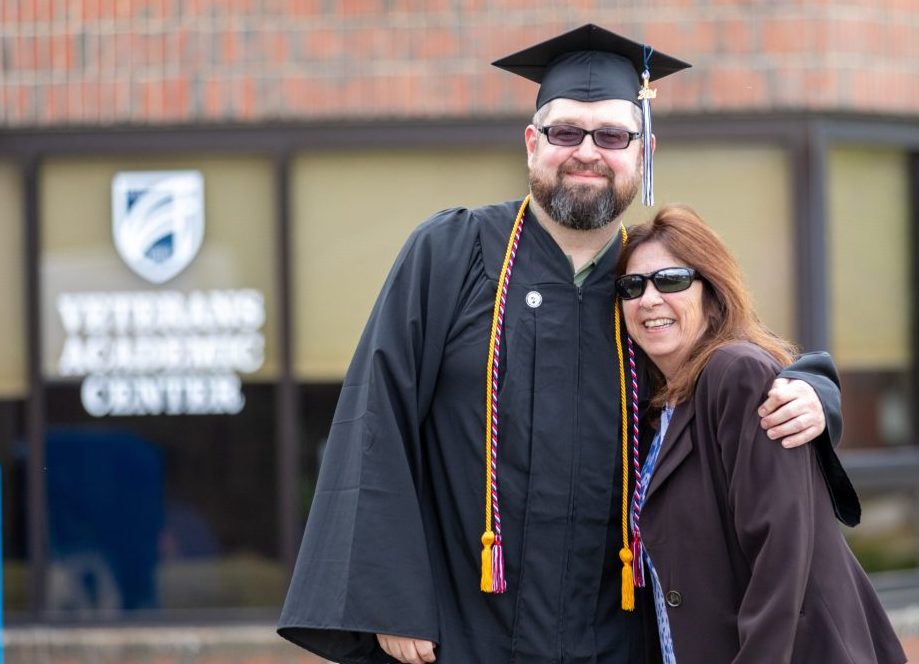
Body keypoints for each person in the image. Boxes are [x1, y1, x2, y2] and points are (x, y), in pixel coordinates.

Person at [278, 24, 846, 664]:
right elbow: (376, 416)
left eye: (611, 136)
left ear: (643, 152)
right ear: (532, 144)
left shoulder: (648, 285)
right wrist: (391, 599)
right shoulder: (452, 252)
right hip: (463, 633)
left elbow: (733, 358)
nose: (587, 152)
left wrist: (813, 390)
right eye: (565, 132)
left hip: (613, 636)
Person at [617, 204, 906, 664]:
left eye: (670, 280)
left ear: (713, 293)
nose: (648, 299)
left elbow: (781, 551)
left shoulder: (735, 373)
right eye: (632, 286)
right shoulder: (660, 403)